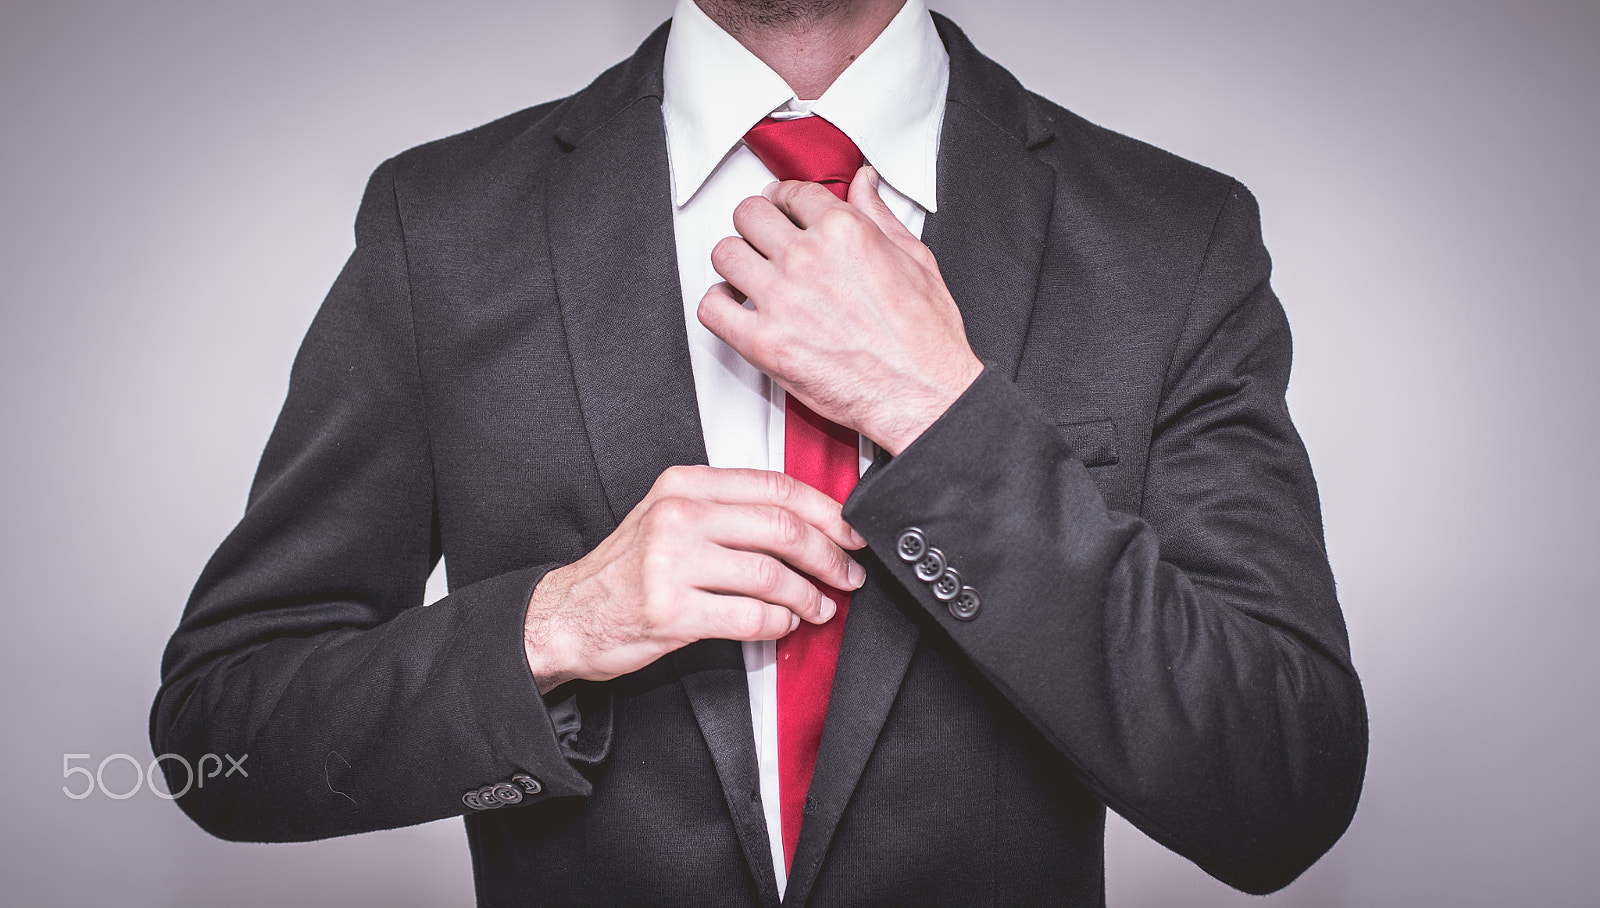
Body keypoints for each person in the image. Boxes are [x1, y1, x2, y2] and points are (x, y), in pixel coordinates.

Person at [152, 0, 1368, 903]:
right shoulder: (445, 225)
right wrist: (559, 624)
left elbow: (1279, 789)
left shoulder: (1172, 236)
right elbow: (222, 743)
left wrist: (946, 416)